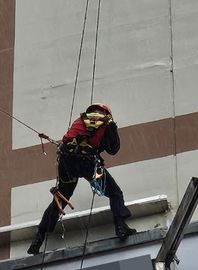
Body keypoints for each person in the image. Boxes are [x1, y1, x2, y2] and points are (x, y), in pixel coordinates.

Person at [27, 103, 136, 255]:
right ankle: (120, 227)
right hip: (88, 164)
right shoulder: (107, 122)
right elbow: (113, 149)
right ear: (107, 113)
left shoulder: (80, 120)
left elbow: (72, 141)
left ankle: (39, 238)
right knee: (115, 193)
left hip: (67, 163)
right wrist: (111, 130)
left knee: (61, 199)